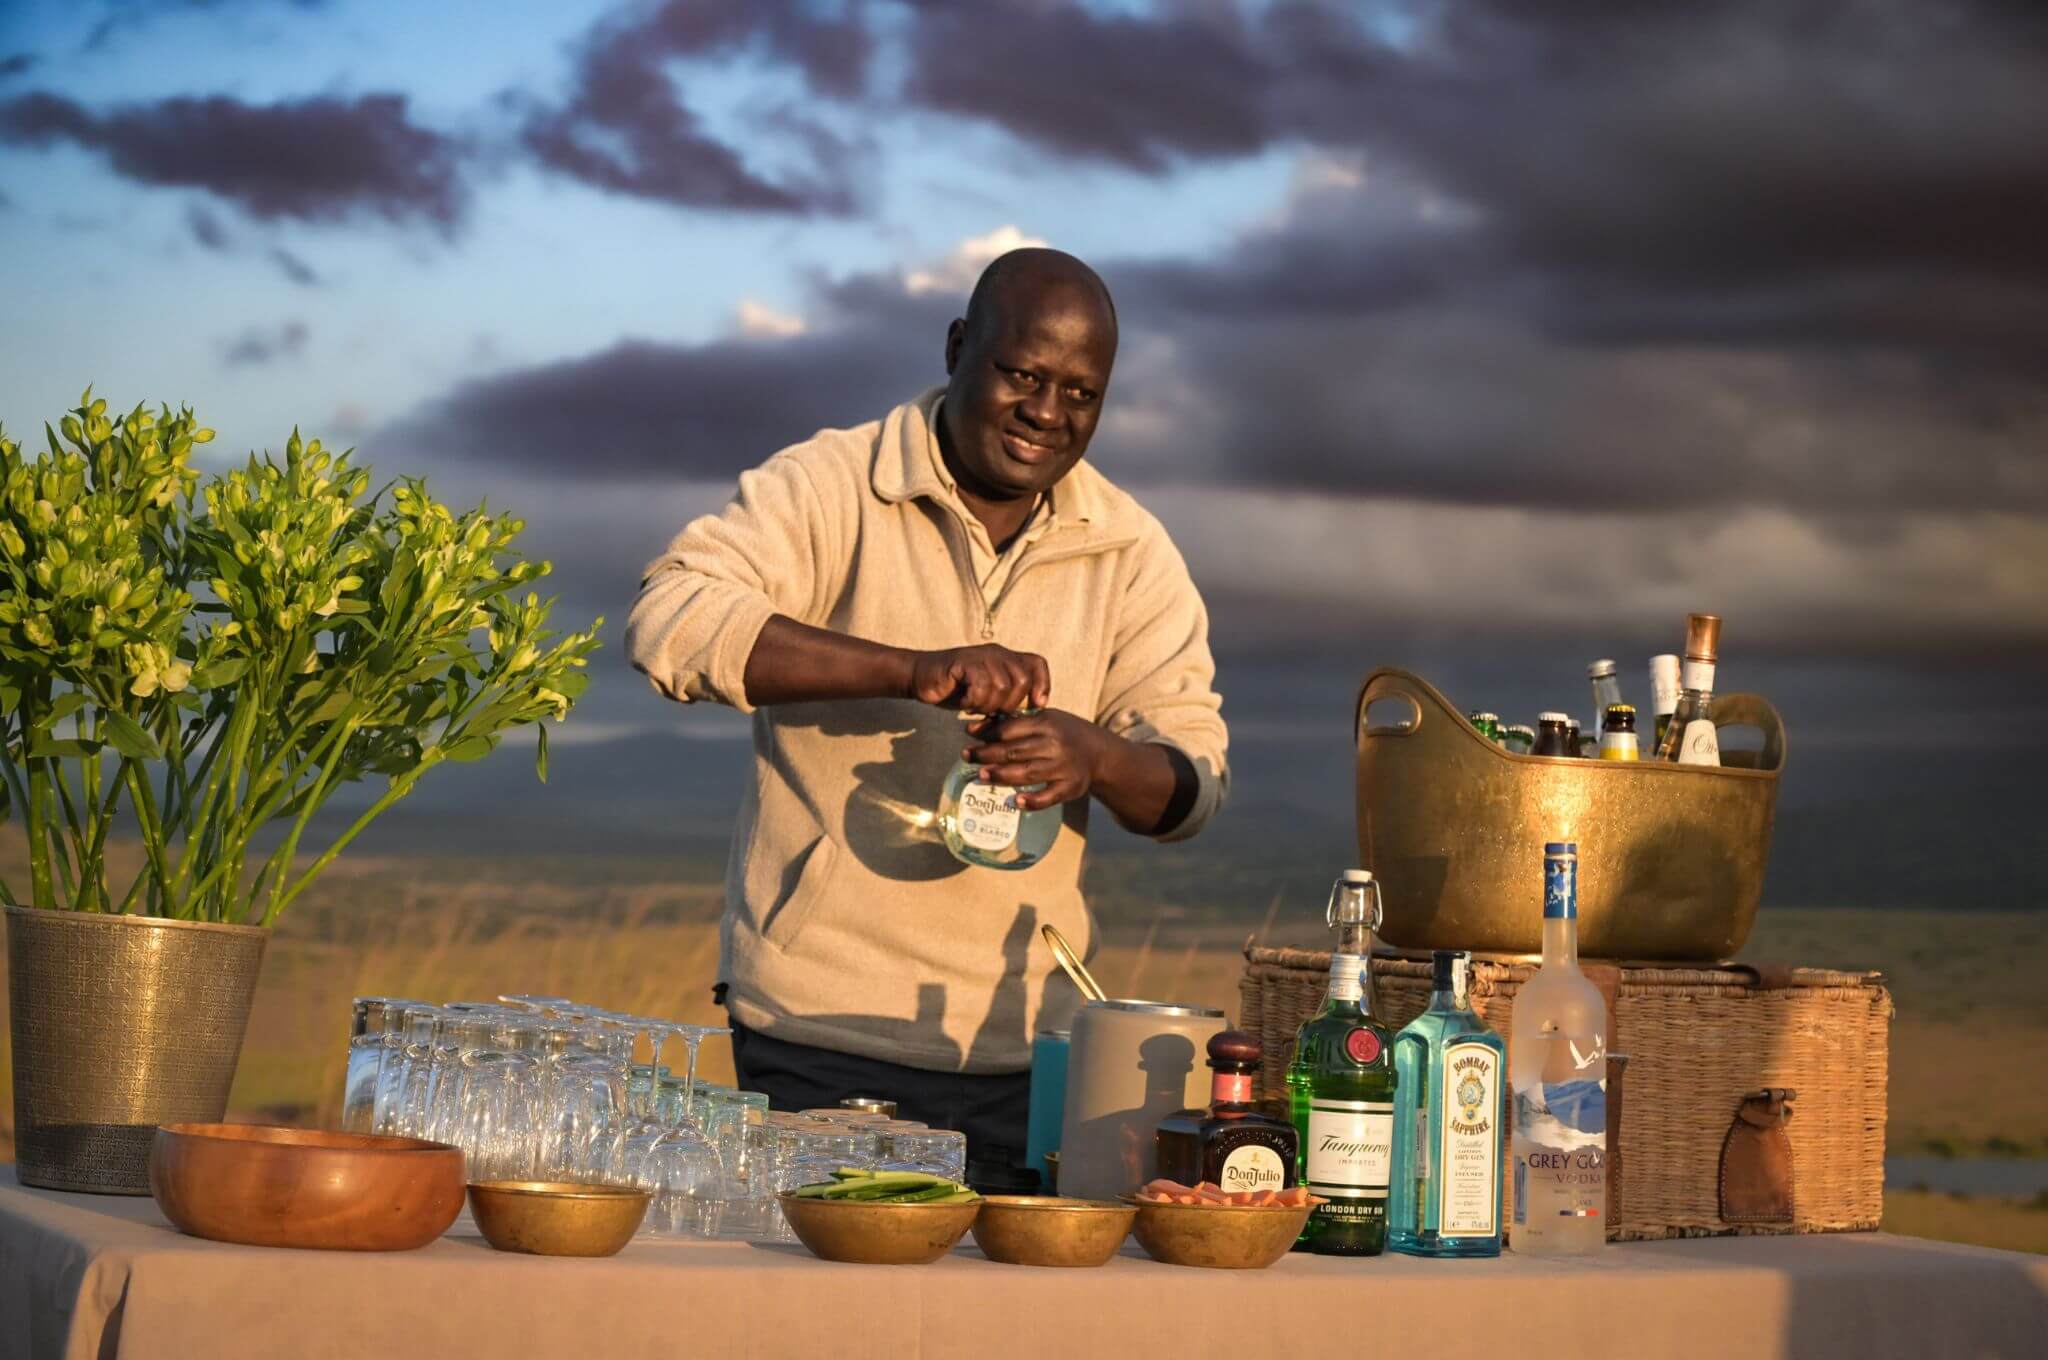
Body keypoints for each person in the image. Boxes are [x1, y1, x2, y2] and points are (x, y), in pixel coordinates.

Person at [625, 248, 1228, 1186]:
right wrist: (914, 669)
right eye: (1022, 374)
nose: (1047, 412)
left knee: (1002, 1332)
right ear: (958, 348)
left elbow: (1190, 784)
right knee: (825, 1327)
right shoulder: (831, 483)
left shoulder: (1131, 549)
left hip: (1030, 1055)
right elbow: (672, 621)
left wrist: (1093, 757)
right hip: (816, 1038)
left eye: (1080, 392)